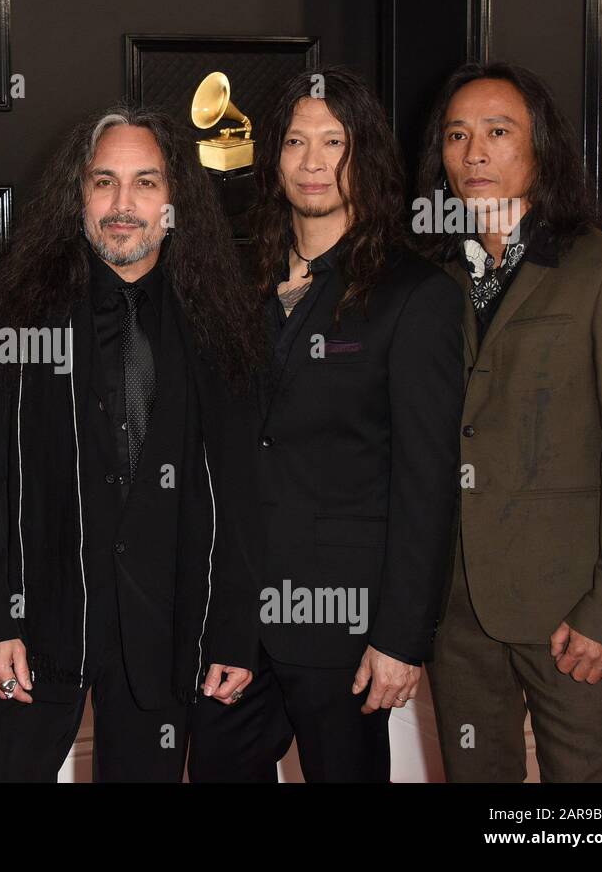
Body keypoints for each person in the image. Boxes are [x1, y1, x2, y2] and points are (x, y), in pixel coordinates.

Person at [0, 104, 266, 782]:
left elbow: (239, 490)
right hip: (33, 631)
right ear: (78, 196)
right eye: (104, 182)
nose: (123, 204)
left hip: (163, 635)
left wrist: (233, 627)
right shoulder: (8, 306)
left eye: (146, 183)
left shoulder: (220, 320)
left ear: (176, 201)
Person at [188, 67, 464, 782]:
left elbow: (428, 482)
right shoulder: (240, 283)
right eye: (295, 142)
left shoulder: (415, 294)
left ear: (363, 154)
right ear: (273, 158)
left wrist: (402, 638)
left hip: (346, 625)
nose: (313, 162)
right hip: (239, 626)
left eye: (334, 142)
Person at [418, 61, 602, 782]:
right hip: (456, 612)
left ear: (541, 147)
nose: (474, 153)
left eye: (498, 131)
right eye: (457, 135)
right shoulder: (430, 277)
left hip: (574, 611)